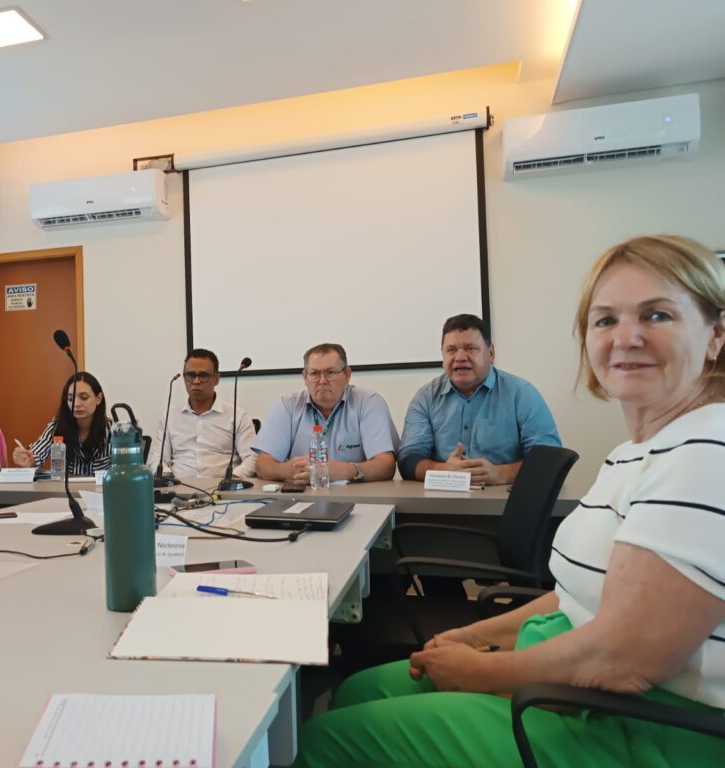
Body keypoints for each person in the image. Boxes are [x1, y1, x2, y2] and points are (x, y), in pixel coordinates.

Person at [294, 235, 725, 767]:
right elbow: (575, 596)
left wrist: (476, 671)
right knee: (361, 691)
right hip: (567, 667)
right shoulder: (633, 453)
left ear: (715, 336)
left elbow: (622, 661)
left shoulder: (708, 448)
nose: (627, 337)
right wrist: (471, 635)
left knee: (321, 740)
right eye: (605, 319)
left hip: (616, 720)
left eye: (658, 315)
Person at [397, 313, 561, 485]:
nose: (460, 357)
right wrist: (445, 471)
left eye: (470, 348)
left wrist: (501, 473)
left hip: (506, 504)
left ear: (491, 353)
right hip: (440, 502)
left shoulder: (521, 394)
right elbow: (408, 461)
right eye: (451, 350)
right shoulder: (425, 398)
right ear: (443, 357)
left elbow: (549, 460)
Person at [253, 343, 399, 484]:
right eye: (314, 373)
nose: (322, 381)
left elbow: (386, 465)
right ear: (305, 377)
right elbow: (262, 464)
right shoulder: (288, 405)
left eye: (330, 373)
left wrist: (346, 471)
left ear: (347, 375)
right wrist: (294, 471)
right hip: (302, 497)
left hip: (356, 498)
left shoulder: (368, 403)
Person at [147, 349, 256, 479]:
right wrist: (167, 480)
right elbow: (157, 460)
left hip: (222, 491)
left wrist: (233, 479)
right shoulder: (170, 416)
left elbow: (253, 458)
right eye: (190, 375)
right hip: (178, 490)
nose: (196, 381)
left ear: (216, 379)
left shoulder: (237, 416)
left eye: (203, 376)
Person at [12, 372, 111, 476]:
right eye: (70, 399)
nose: (76, 404)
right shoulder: (57, 425)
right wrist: (28, 458)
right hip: (65, 491)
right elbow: (36, 453)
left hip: (101, 491)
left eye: (84, 397)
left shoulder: (113, 430)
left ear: (98, 399)